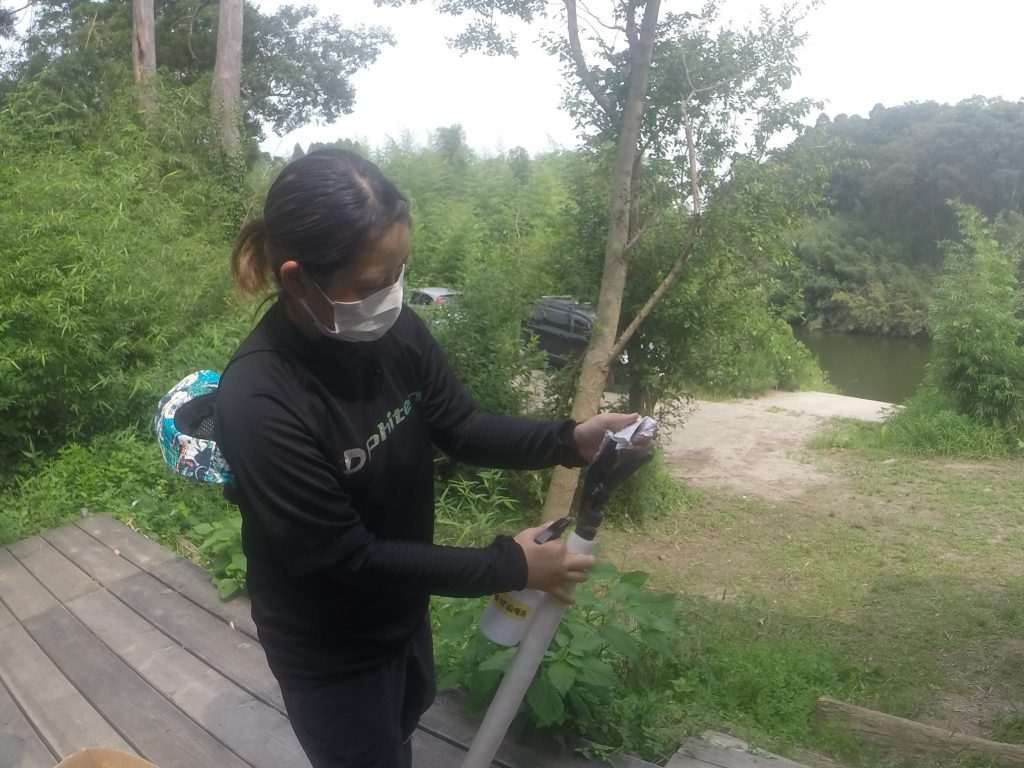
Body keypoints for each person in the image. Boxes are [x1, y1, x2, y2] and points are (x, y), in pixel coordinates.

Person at [213, 148, 639, 768]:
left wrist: (569, 441)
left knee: (404, 731)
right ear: (298, 279)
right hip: (329, 647)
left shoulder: (393, 333)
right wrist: (511, 566)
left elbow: (461, 425)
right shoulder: (261, 400)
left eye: (399, 272)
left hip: (402, 611)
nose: (391, 296)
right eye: (371, 284)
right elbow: (347, 556)